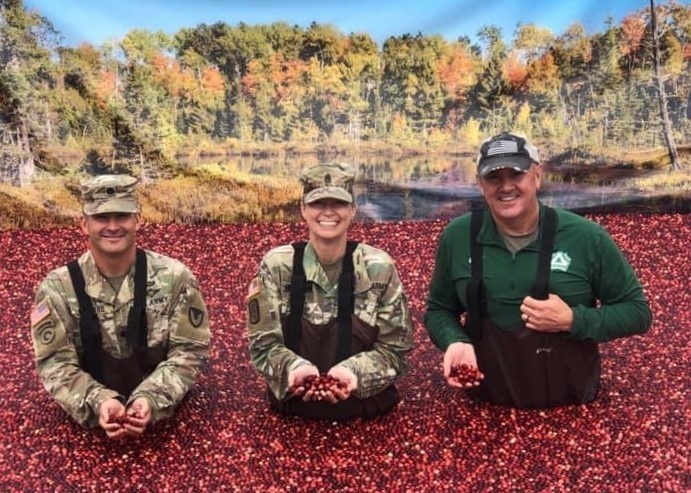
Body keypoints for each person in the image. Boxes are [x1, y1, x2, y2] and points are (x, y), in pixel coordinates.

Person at [424, 132, 652, 408]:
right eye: (494, 177)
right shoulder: (458, 237)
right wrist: (454, 341)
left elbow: (637, 313)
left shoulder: (586, 237)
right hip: (484, 403)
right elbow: (438, 310)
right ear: (479, 183)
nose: (506, 187)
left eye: (516, 175)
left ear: (537, 176)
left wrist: (572, 320)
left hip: (570, 407)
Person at [29, 174, 211, 438]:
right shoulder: (58, 288)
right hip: (87, 428)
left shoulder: (174, 278)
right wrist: (98, 401)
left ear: (138, 220)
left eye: (122, 216)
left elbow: (190, 350)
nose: (113, 226)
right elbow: (55, 362)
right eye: (102, 218)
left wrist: (152, 398)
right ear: (84, 224)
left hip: (166, 422)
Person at [246, 163, 414, 420]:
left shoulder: (379, 267)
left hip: (368, 413)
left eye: (337, 203)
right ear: (303, 209)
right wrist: (294, 368)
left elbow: (396, 351)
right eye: (317, 204)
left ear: (352, 210)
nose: (327, 212)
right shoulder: (277, 266)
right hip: (293, 412)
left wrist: (354, 373)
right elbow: (262, 345)